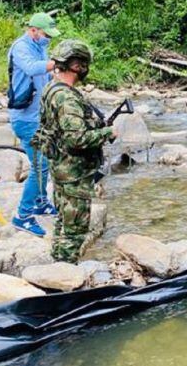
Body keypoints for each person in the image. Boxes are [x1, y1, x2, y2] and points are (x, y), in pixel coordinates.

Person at [33, 40, 115, 263]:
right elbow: (76, 139)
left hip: (61, 168)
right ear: (78, 66)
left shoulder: (52, 88)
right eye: (84, 65)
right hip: (73, 173)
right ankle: (64, 281)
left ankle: (57, 268)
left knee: (63, 222)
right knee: (75, 230)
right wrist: (108, 133)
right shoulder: (67, 97)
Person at [7, 13, 61, 236]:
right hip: (24, 118)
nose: (48, 38)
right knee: (39, 165)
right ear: (33, 31)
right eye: (46, 34)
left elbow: (46, 77)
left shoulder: (40, 47)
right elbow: (31, 68)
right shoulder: (21, 47)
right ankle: (23, 216)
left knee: (45, 160)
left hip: (38, 115)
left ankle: (40, 202)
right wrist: (56, 64)